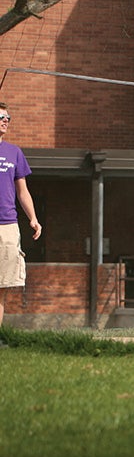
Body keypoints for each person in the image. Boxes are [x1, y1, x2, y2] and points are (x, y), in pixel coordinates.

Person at [0, 103, 42, 339]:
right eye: (1, 116)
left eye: (8, 117)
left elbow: (22, 191)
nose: (5, 120)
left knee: (1, 287)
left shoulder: (14, 152)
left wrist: (33, 218)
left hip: (7, 225)